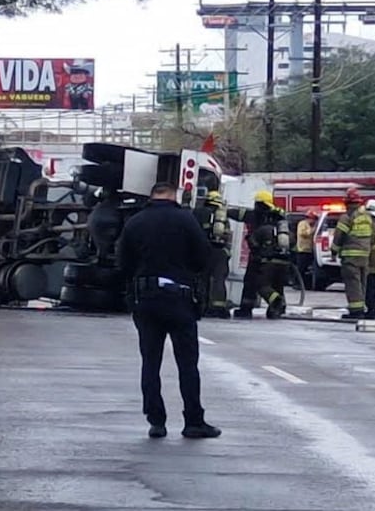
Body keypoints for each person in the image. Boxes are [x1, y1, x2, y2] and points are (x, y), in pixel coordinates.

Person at [117, 182, 220, 439]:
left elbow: (123, 263)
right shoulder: (186, 220)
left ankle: (156, 421)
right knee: (187, 364)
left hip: (146, 300)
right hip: (180, 300)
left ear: (152, 195)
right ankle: (193, 421)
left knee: (150, 362)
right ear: (174, 195)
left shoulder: (135, 222)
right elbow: (203, 258)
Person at [227, 190, 291, 319]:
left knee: (252, 282)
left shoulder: (255, 215)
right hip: (282, 260)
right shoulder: (279, 220)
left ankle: (246, 309)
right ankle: (278, 308)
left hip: (260, 257)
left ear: (258, 203)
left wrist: (223, 210)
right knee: (276, 285)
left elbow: (237, 215)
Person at [332, 188, 373, 319]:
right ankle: (362, 307)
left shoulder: (347, 216)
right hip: (365, 256)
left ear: (347, 203)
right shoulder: (366, 217)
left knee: (352, 283)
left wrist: (334, 251)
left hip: (350, 257)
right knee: (362, 283)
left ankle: (356, 311)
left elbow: (339, 236)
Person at [194, 190, 231, 319]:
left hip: (203, 250)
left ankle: (201, 304)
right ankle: (218, 307)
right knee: (219, 279)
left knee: (202, 278)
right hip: (220, 252)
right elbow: (227, 236)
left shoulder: (199, 212)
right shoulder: (222, 216)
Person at [295, 210, 318, 285]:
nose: (314, 221)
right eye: (313, 219)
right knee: (301, 268)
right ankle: (297, 283)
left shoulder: (310, 225)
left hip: (310, 250)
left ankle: (304, 283)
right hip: (302, 250)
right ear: (309, 218)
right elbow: (303, 233)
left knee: (306, 269)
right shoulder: (303, 224)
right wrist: (313, 230)